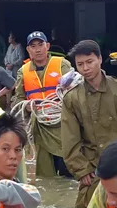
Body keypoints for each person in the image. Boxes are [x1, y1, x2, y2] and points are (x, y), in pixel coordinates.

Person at [62, 40, 117, 208]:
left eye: (89, 62)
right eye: (80, 64)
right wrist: (82, 170)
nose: (85, 68)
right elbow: (69, 139)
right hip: (93, 169)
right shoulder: (72, 99)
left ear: (100, 59)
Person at [13, 31, 73, 178]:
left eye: (41, 45)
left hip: (63, 124)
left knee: (69, 169)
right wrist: (26, 106)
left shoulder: (62, 64)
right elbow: (18, 99)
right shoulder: (23, 71)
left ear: (47, 46)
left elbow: (75, 91)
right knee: (45, 174)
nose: (37, 49)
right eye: (33, 46)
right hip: (39, 125)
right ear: (28, 50)